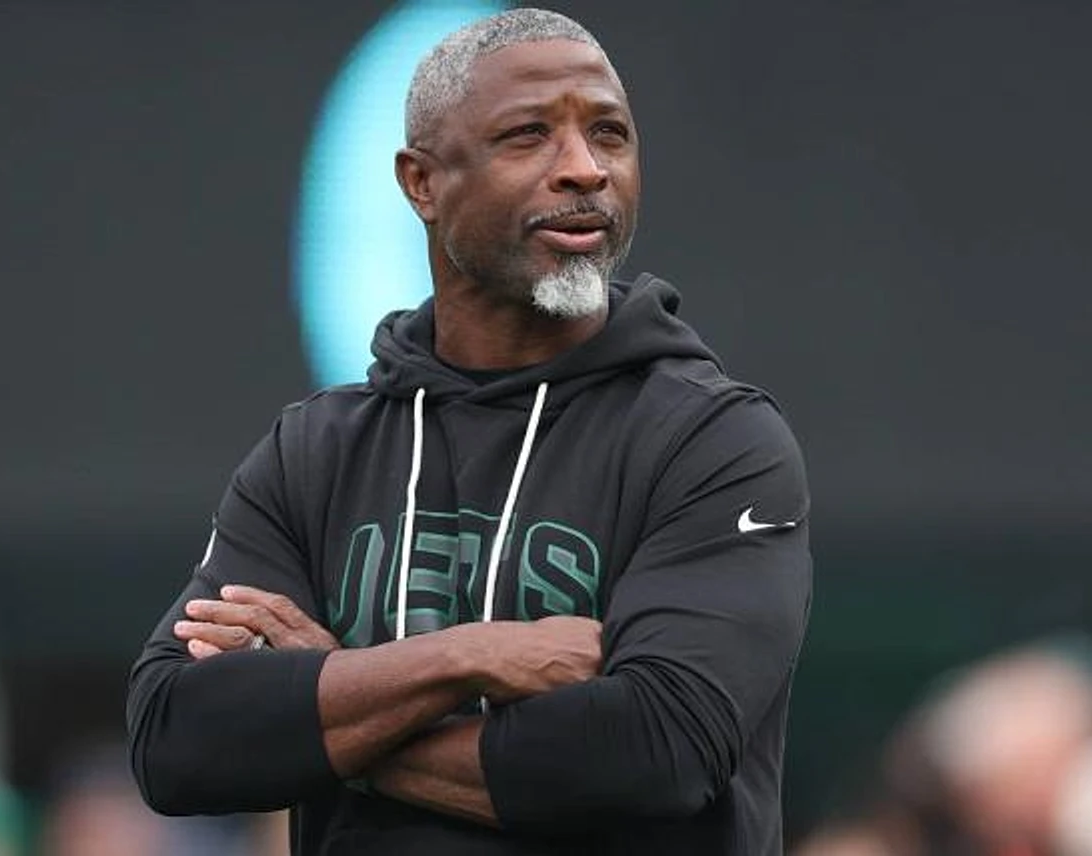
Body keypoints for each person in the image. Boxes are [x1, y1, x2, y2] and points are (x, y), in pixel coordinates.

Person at [126, 8, 812, 854]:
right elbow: (174, 738)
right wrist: (472, 656)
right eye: (530, 135)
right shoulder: (317, 450)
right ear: (421, 182)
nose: (585, 168)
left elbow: (656, 751)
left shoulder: (711, 440)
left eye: (609, 133)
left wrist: (337, 699)